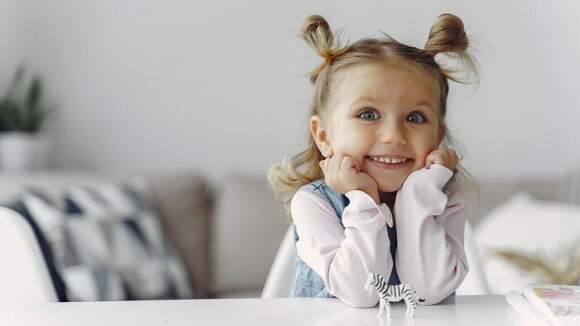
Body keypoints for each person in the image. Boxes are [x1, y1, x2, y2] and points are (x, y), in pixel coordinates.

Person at [268, 13, 478, 307]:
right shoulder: (313, 204)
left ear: (436, 137)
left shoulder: (445, 200)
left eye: (415, 117)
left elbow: (427, 291)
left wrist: (417, 198)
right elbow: (361, 292)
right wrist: (363, 198)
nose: (394, 135)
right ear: (324, 136)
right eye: (368, 114)